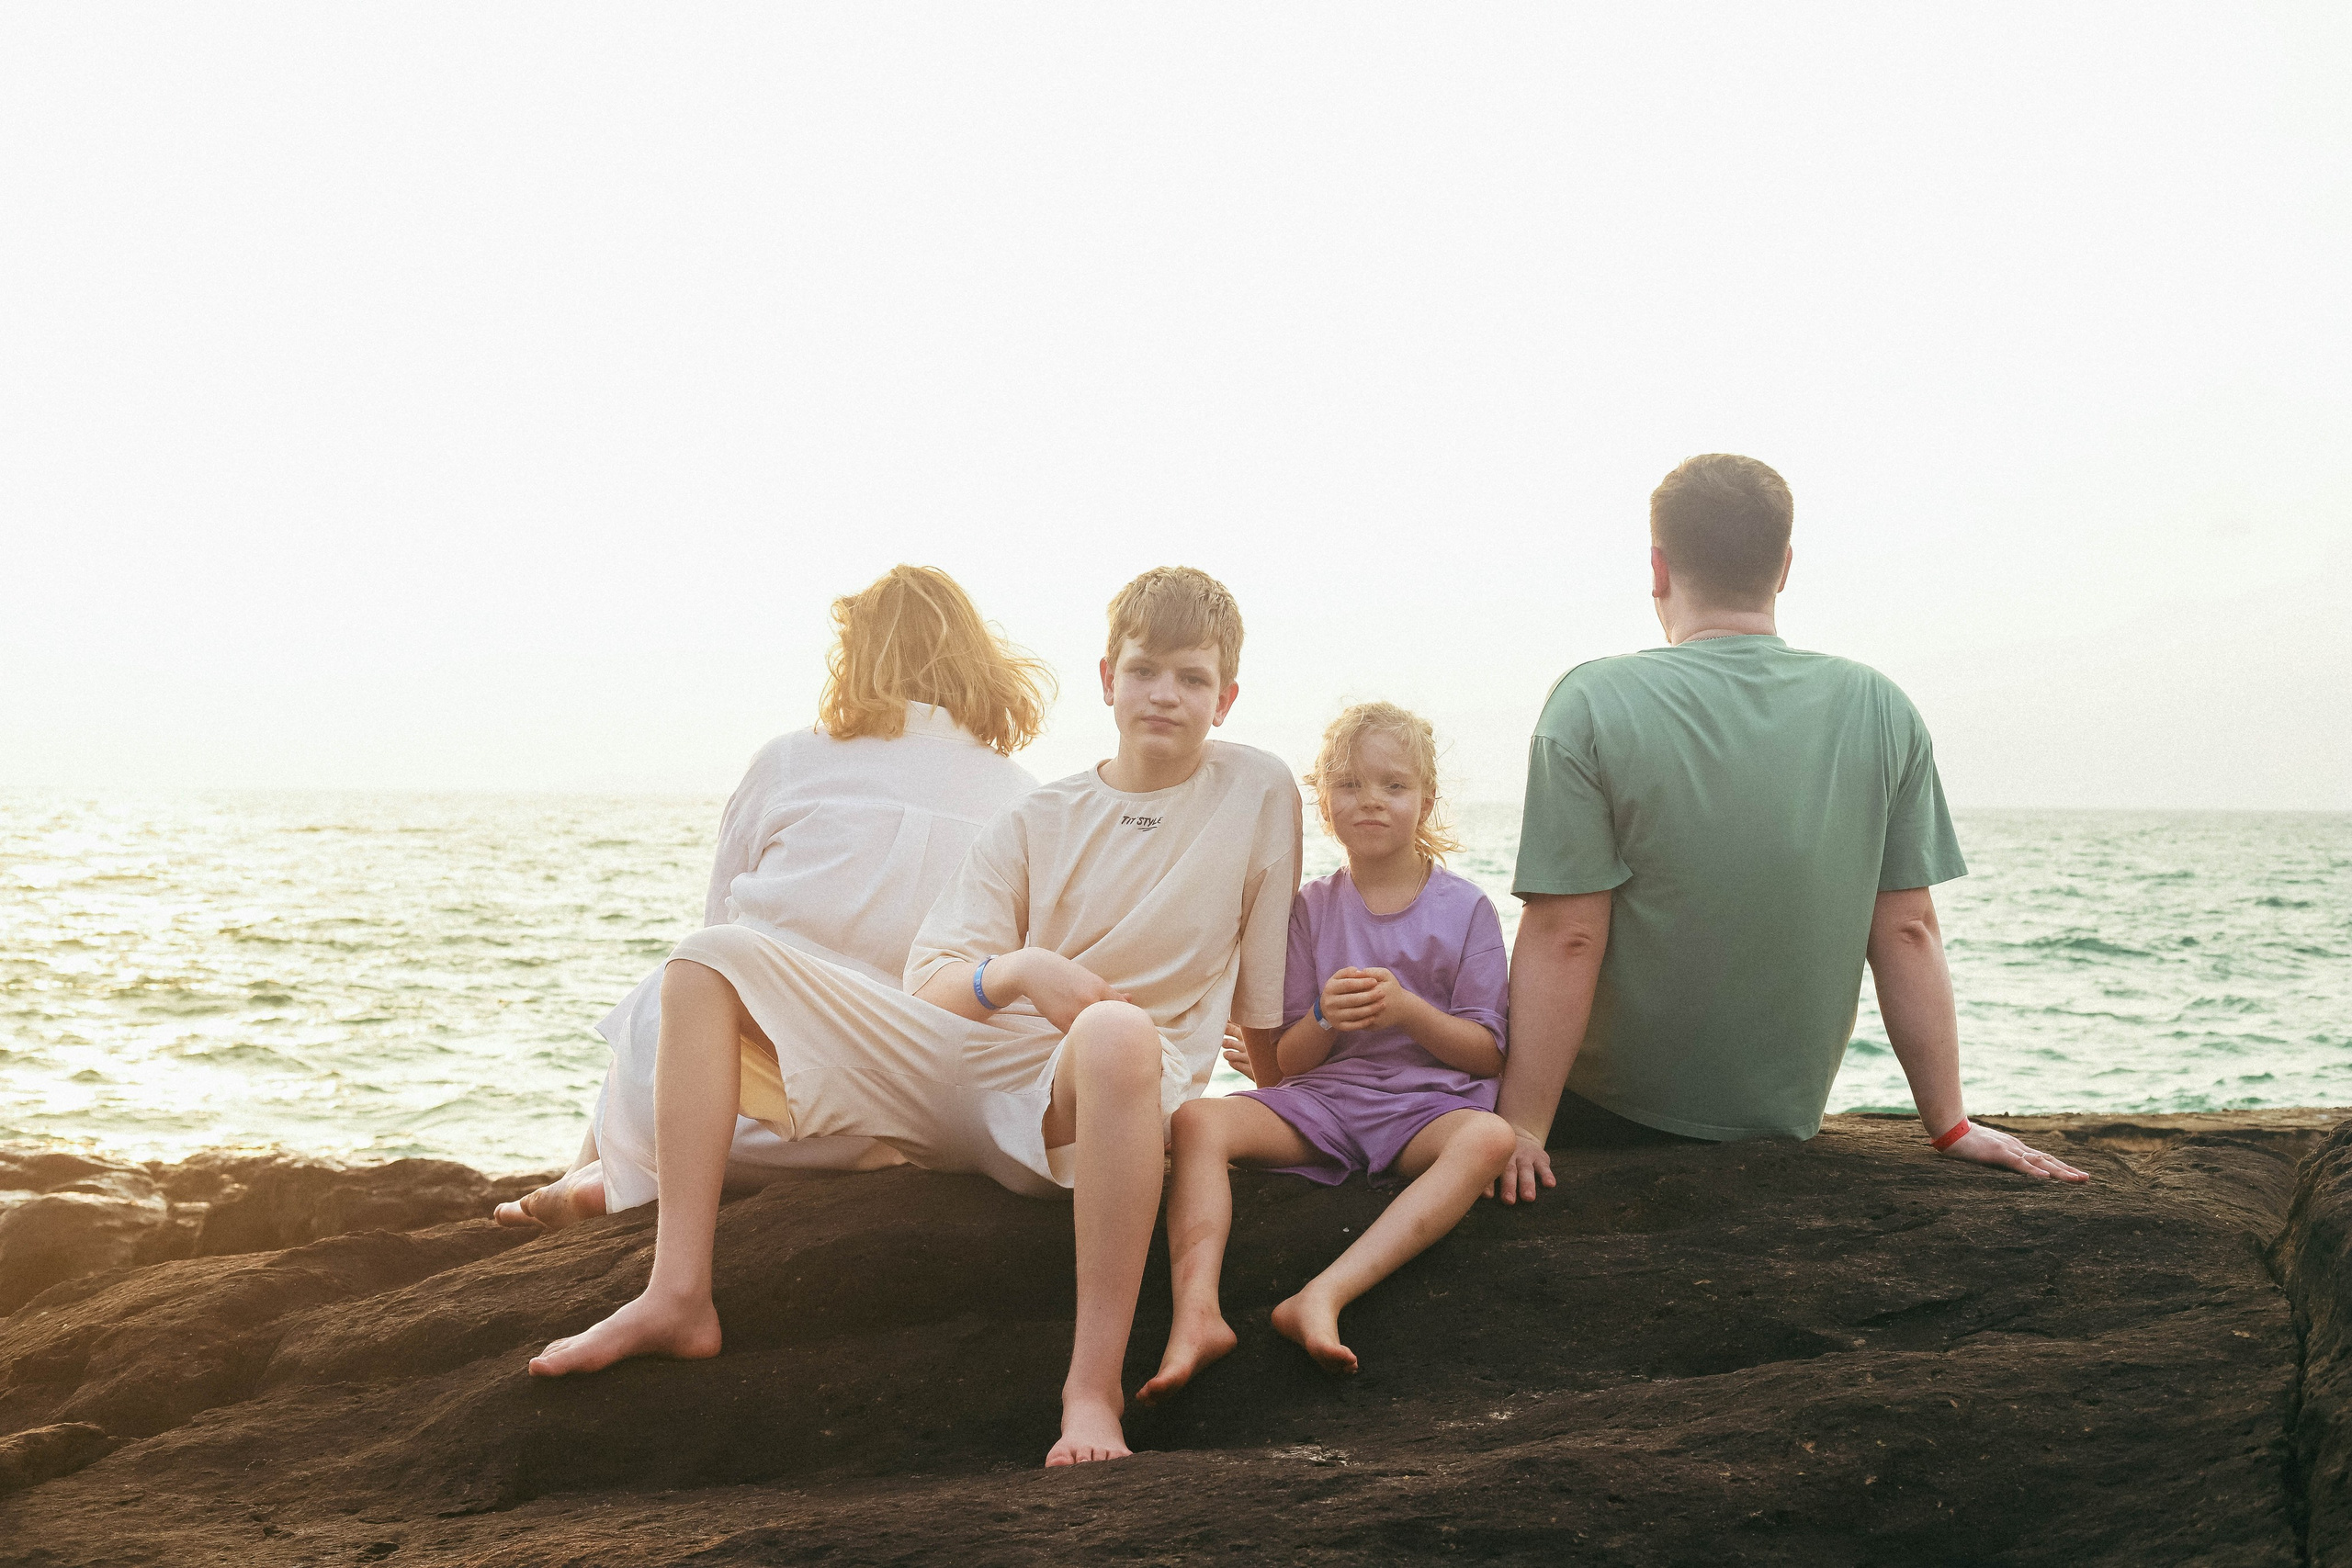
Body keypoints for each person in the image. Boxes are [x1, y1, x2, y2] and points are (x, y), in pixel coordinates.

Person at [526, 566, 1304, 1472]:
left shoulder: (1257, 793)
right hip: (960, 1072)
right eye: (1144, 671)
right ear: (1106, 678)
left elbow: (1265, 996)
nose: (1165, 695)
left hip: (1082, 1098)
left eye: (1193, 678)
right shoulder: (1036, 813)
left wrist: (1298, 1111)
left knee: (1121, 1031)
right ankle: (677, 1295)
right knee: (704, 962)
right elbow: (929, 980)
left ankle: (1088, 1394)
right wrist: (1021, 969)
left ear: (1228, 696)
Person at [1494, 454, 2088, 1199]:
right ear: (1783, 566)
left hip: (1608, 1118)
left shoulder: (1590, 701)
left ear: (1657, 567)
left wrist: (1519, 1130)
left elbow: (1567, 935)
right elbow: (1909, 931)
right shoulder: (1880, 706)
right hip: (1781, 1124)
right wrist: (1950, 1123)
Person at [494, 565, 1048, 1230]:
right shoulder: (1023, 797)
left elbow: (714, 935)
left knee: (666, 997)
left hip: (715, 1119)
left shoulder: (789, 760)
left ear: (858, 657)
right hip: (886, 1130)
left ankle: (595, 1181)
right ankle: (595, 1181)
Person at [1139, 702, 1514, 1402]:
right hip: (1328, 1103)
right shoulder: (1309, 909)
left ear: (1425, 801)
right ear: (1323, 801)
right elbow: (1290, 1063)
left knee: (1489, 1136)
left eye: (1392, 786)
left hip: (1423, 1110)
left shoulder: (1466, 910)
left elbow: (1486, 1054)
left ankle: (1324, 1292)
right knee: (1197, 1121)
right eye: (1349, 784)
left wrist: (1408, 1009)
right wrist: (1321, 1015)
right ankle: (1197, 1314)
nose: (1370, 800)